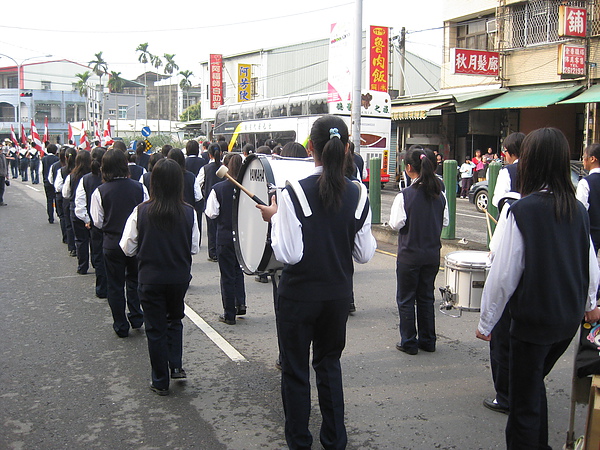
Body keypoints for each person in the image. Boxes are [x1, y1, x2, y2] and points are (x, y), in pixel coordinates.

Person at [257, 115, 376, 449]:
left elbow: (288, 254)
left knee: (295, 371)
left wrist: (276, 216)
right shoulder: (359, 192)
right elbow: (364, 253)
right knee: (329, 365)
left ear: (311, 148)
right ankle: (335, 440)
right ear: (346, 147)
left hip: (298, 297)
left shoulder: (292, 191)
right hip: (337, 295)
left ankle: (299, 441)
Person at [476, 127, 600, 449]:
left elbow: (503, 274)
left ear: (530, 163)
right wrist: (589, 303)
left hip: (533, 323)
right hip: (567, 321)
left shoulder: (522, 211)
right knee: (532, 384)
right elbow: (590, 265)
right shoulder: (577, 210)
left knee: (523, 403)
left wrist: (486, 322)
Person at [120, 158, 199, 396]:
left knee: (155, 328)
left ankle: (160, 380)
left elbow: (127, 247)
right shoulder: (188, 212)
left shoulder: (141, 211)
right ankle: (176, 365)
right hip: (178, 276)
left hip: (150, 277)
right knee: (175, 320)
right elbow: (193, 247)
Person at [389, 147, 448, 355]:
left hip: (409, 255)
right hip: (432, 255)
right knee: (426, 297)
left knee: (406, 299)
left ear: (408, 168)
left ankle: (409, 342)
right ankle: (428, 340)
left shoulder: (405, 195)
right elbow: (445, 221)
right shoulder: (440, 194)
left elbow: (396, 224)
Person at [483, 131, 525, 415]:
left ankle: (506, 395)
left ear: (509, 153)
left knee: (502, 332)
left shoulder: (508, 180)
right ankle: (527, 388)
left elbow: (501, 206)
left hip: (512, 253)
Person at [90, 149, 148, 337]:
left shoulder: (100, 191)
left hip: (112, 241)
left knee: (114, 285)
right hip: (135, 241)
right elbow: (145, 212)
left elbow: (97, 221)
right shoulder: (139, 188)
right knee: (134, 279)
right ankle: (137, 316)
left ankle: (120, 325)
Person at [205, 153, 247, 325]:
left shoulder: (219, 188)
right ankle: (241, 303)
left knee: (227, 274)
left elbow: (211, 213)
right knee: (239, 270)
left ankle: (229, 313)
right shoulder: (247, 187)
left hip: (225, 235)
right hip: (244, 237)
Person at [75, 147, 107, 298]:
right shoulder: (112, 177)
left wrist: (87, 219)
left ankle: (102, 288)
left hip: (95, 225)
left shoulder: (86, 179)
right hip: (113, 224)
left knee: (98, 255)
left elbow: (80, 202)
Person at [63, 150, 93, 274]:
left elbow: (65, 193)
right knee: (94, 239)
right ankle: (97, 263)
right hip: (92, 210)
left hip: (75, 210)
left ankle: (82, 266)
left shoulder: (72, 176)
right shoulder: (94, 176)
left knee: (80, 240)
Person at [197, 143, 222, 262]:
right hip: (224, 200)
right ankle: (221, 250)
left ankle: (213, 253)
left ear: (209, 155)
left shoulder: (205, 168)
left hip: (209, 200)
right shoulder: (224, 167)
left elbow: (198, 183)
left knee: (211, 227)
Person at [491, 132, 525, 211]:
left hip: (513, 216)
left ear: (511, 152)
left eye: (505, 151)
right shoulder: (538, 169)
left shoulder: (507, 171)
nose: (504, 155)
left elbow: (498, 200)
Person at [577, 143, 600, 254]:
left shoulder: (585, 183)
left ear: (592, 159)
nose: (583, 161)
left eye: (584, 157)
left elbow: (581, 209)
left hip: (592, 232)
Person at [56, 147, 77, 256]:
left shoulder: (62, 171)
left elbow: (59, 188)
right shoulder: (82, 171)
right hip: (81, 200)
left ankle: (72, 247)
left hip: (68, 200)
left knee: (69, 224)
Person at [41, 144, 59, 224]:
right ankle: (59, 214)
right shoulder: (57, 159)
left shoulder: (43, 159)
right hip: (56, 182)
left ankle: (50, 218)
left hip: (47, 182)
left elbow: (41, 170)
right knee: (57, 199)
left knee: (49, 200)